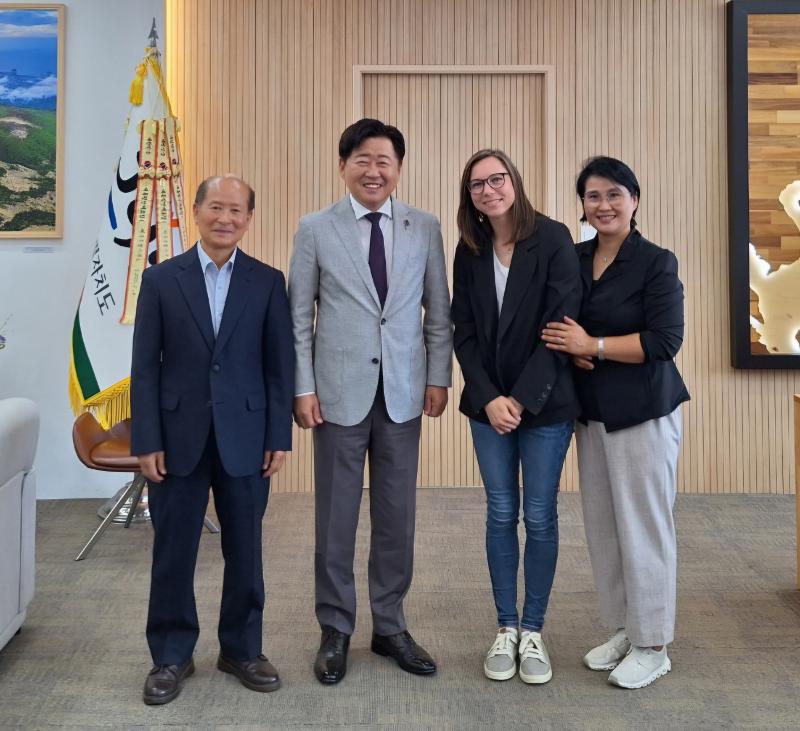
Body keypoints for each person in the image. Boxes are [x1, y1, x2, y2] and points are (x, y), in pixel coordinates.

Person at [288, 118, 452, 685]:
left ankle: (389, 625)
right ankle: (335, 628)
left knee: (396, 517)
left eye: (384, 160)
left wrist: (439, 378)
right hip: (335, 397)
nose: (373, 170)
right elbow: (298, 319)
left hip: (405, 394)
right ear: (343, 166)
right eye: (361, 159)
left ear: (398, 169)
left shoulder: (423, 227)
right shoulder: (315, 229)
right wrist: (303, 387)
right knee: (335, 517)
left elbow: (439, 312)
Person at [131, 175, 295, 705]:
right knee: (173, 549)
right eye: (216, 207)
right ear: (197, 211)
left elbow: (278, 368)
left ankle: (242, 649)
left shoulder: (268, 282)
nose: (226, 218)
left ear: (249, 218)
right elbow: (144, 370)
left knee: (245, 548)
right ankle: (171, 655)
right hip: (177, 437)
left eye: (237, 210)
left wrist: (279, 435)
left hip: (247, 436)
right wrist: (147, 439)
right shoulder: (160, 280)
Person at [541, 156, 690, 689]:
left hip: (644, 411)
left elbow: (664, 341)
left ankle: (654, 644)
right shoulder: (575, 257)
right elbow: (556, 322)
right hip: (592, 413)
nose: (603, 205)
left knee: (645, 527)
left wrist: (595, 346)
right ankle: (628, 628)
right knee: (605, 526)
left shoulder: (656, 262)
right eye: (592, 196)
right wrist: (574, 351)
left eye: (613, 194)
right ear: (582, 204)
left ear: (634, 200)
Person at [451, 149, 580, 684]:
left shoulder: (551, 239)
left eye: (497, 179)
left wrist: (521, 400)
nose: (489, 189)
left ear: (514, 182)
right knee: (501, 512)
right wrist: (488, 398)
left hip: (545, 404)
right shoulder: (471, 247)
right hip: (488, 407)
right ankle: (506, 628)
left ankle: (534, 630)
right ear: (471, 198)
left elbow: (561, 325)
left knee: (541, 514)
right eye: (477, 184)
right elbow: (465, 331)